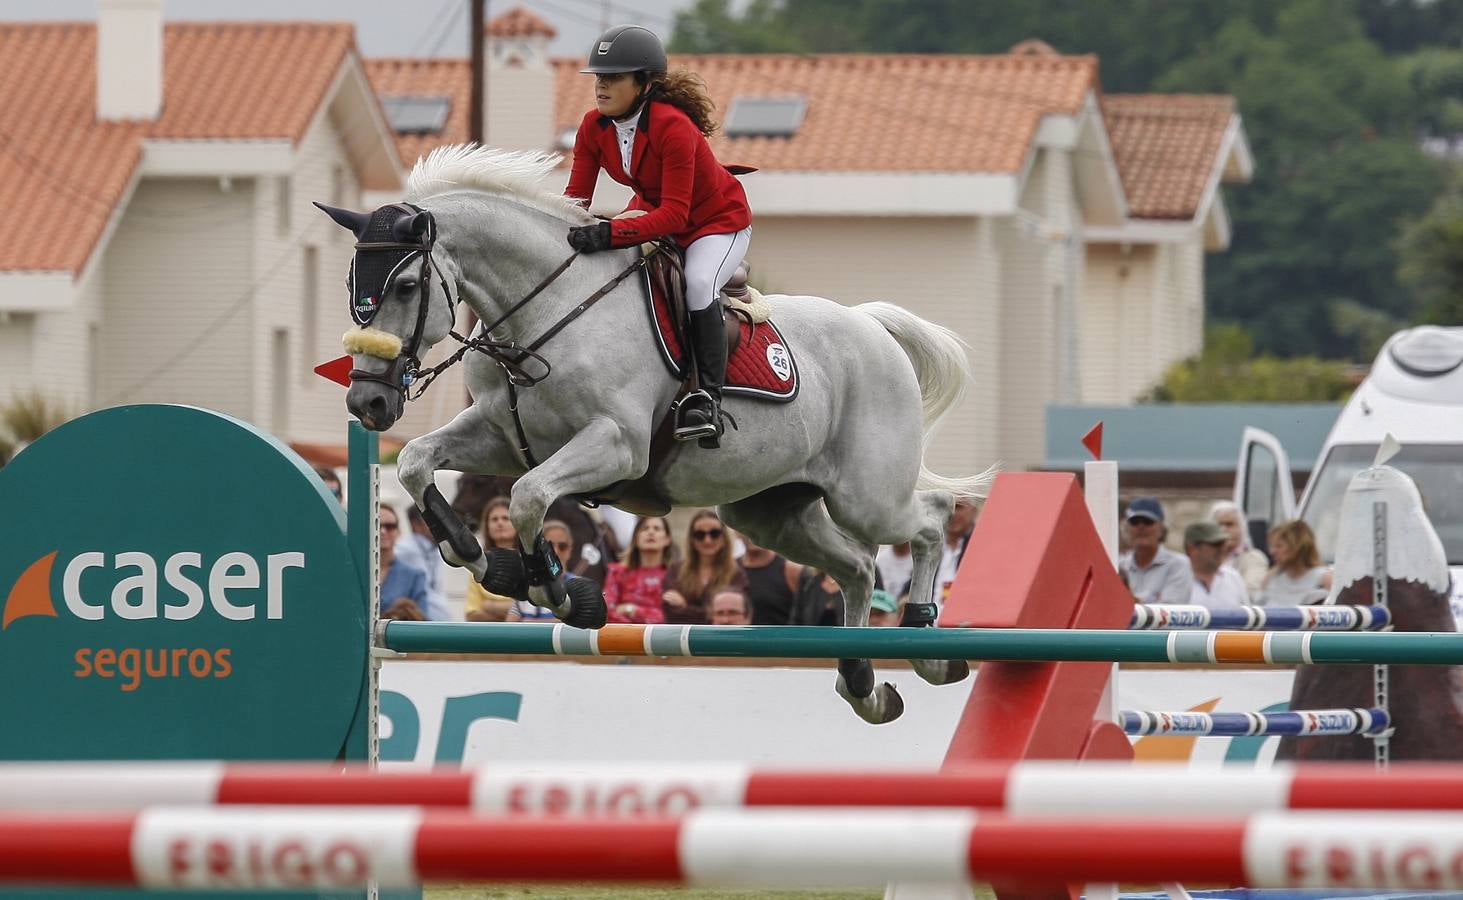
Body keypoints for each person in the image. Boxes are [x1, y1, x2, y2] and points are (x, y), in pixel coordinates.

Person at [564, 24, 752, 449]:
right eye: (598, 77)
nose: (601, 86)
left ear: (644, 83)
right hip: (657, 214)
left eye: (613, 77)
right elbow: (575, 199)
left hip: (716, 223)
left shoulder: (673, 127)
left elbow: (676, 215)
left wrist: (611, 233)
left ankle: (708, 400)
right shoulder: (593, 127)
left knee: (699, 283)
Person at [662, 510, 747, 624]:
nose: (707, 540)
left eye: (714, 533)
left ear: (724, 537)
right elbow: (671, 612)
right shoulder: (676, 570)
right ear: (691, 539)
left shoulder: (736, 573)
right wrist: (711, 612)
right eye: (700, 535)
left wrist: (685, 607)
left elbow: (737, 613)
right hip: (682, 638)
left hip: (719, 638)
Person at [1117, 496, 1192, 604]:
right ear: (1127, 528)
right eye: (1134, 522)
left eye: (1148, 522)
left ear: (1161, 528)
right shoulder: (1119, 564)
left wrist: (1129, 601)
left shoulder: (1178, 564)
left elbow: (1170, 610)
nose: (1141, 527)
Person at [603, 515, 676, 624]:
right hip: (623, 637)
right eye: (644, 528)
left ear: (667, 539)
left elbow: (672, 617)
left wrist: (632, 609)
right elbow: (606, 611)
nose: (651, 532)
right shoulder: (617, 572)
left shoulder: (675, 575)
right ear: (635, 539)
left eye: (657, 528)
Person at [506, 520, 575, 622]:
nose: (556, 551)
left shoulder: (577, 585)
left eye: (562, 546)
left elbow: (569, 624)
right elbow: (509, 626)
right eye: (550, 546)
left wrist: (526, 622)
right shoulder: (526, 585)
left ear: (569, 550)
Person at [391, 505, 450, 621]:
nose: (440, 525)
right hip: (420, 624)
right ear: (416, 524)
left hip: (436, 623)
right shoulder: (405, 550)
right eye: (433, 520)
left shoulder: (435, 550)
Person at [465, 496, 518, 622]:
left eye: (506, 518)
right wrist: (515, 614)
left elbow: (535, 607)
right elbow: (471, 615)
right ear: (487, 526)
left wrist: (489, 606)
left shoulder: (530, 563)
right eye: (494, 519)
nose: (500, 523)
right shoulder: (478, 567)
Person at [1258, 519, 1333, 606]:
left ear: (1298, 547)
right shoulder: (1271, 577)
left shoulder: (1324, 579)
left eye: (1279, 546)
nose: (1272, 552)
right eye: (1272, 546)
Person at [378, 504, 429, 621]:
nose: (383, 531)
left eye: (390, 526)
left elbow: (423, 621)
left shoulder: (415, 576)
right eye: (377, 525)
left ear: (398, 532)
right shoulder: (354, 572)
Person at [738, 534, 803, 625]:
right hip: (735, 638)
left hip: (780, 637)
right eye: (745, 524)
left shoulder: (791, 571)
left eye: (759, 524)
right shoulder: (728, 568)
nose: (752, 531)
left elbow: (806, 617)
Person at [1210, 500, 1268, 600]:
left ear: (1242, 528)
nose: (1223, 530)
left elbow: (1251, 593)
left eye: (1230, 524)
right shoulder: (1204, 558)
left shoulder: (1254, 559)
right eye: (1219, 525)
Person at [1184, 520, 1249, 609]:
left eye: (1223, 544)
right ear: (1192, 548)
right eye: (1216, 544)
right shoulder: (1177, 578)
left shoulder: (1233, 577)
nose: (1223, 548)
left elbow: (1248, 618)